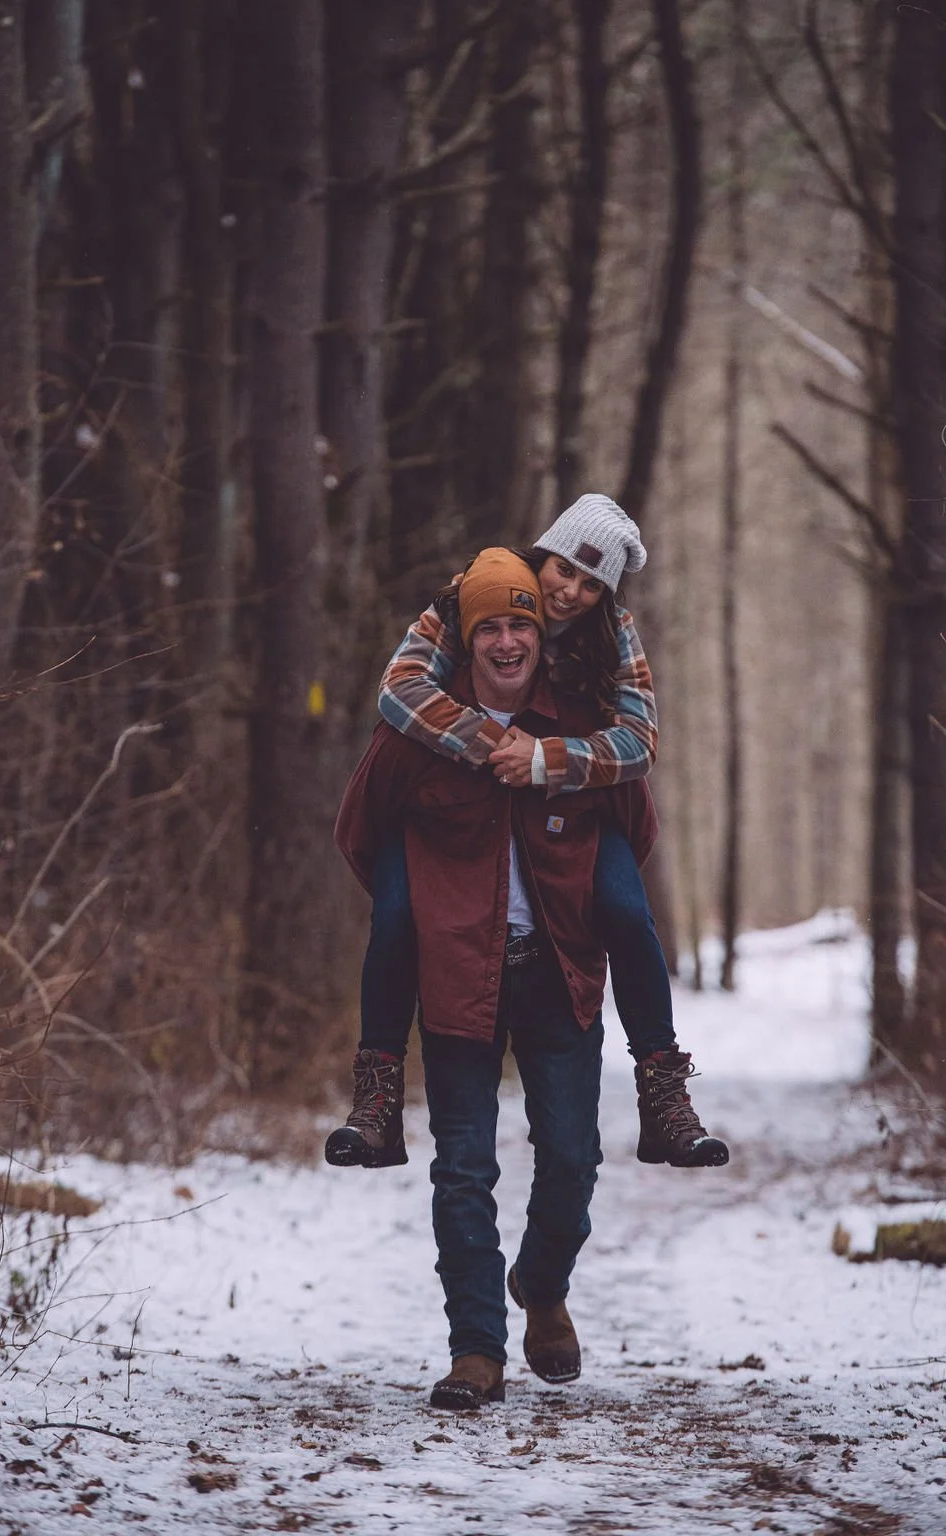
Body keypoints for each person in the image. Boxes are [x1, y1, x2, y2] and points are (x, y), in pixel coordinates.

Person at [335, 548, 667, 1407]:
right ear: (468, 637)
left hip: (559, 972)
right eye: (493, 627)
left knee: (571, 1158)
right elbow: (361, 831)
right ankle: (476, 1350)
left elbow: (635, 824)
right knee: (462, 1170)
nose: (510, 640)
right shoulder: (417, 733)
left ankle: (544, 1286)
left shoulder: (582, 725)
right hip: (460, 976)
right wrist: (428, 914)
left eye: (524, 623)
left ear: (544, 633)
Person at [326, 494, 728, 1176]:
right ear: (545, 553)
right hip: (442, 804)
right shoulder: (478, 597)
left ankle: (663, 1088)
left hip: (571, 810)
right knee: (395, 919)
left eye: (593, 585)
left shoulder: (613, 632)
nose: (572, 593)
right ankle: (379, 1092)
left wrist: (545, 759)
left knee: (629, 913)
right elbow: (398, 691)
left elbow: (640, 740)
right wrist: (491, 742)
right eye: (566, 570)